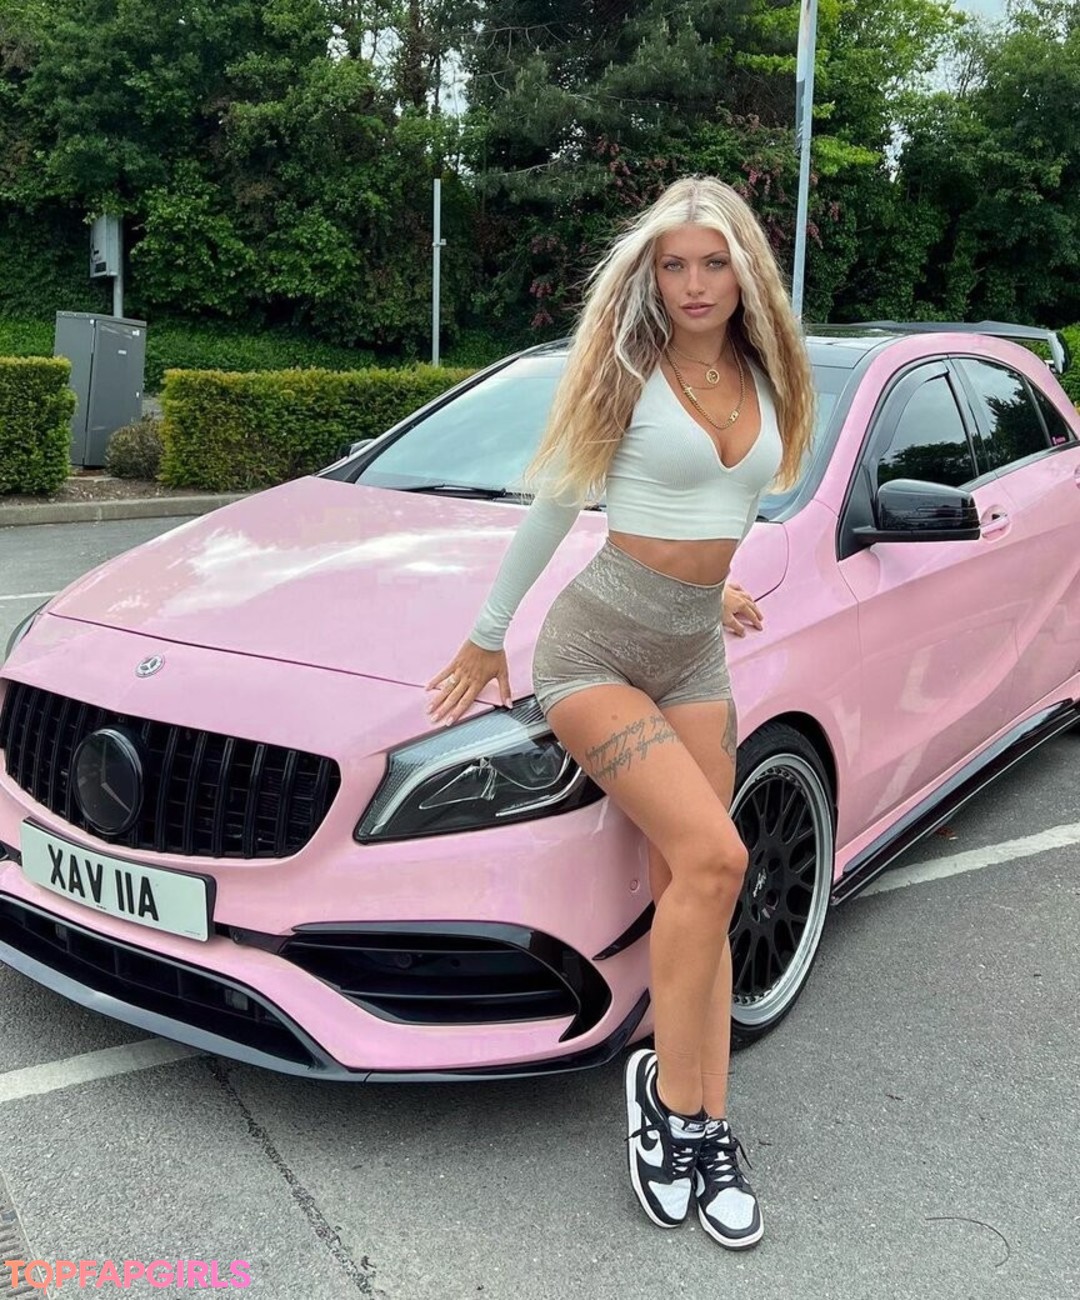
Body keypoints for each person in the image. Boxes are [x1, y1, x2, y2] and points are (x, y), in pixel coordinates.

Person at [424, 175, 814, 1249]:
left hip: (692, 652)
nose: (693, 283)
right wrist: (488, 632)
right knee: (723, 857)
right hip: (594, 648)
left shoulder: (771, 376)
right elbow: (560, 500)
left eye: (713, 262)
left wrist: (708, 588)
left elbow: (716, 507)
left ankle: (706, 1125)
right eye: (672, 265)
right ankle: (668, 1104)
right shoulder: (628, 370)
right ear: (651, 278)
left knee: (696, 889)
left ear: (745, 271)